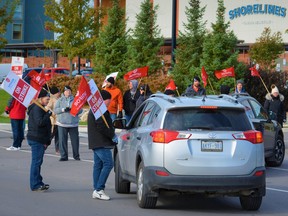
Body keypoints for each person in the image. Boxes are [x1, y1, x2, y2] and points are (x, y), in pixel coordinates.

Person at [88, 90, 116, 201]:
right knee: (108, 163)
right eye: (109, 101)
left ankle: (96, 189)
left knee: (98, 164)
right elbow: (102, 127)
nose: (110, 103)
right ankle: (99, 189)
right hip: (101, 142)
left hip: (96, 141)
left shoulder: (96, 109)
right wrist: (112, 135)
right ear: (105, 100)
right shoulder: (99, 110)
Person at [27, 89, 52, 191]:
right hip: (36, 138)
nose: (48, 101)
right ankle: (35, 184)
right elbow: (40, 122)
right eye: (47, 99)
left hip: (40, 138)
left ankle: (38, 182)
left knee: (38, 162)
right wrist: (47, 115)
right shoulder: (37, 108)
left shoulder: (41, 108)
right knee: (36, 162)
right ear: (41, 98)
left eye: (49, 99)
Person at [54, 86, 82, 161]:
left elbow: (81, 110)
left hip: (73, 123)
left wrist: (75, 110)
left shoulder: (76, 100)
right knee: (62, 140)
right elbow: (55, 110)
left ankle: (76, 155)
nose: (68, 92)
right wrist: (63, 109)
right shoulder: (60, 100)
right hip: (62, 123)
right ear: (64, 92)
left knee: (75, 140)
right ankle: (64, 156)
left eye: (69, 91)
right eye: (66, 91)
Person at [46, 86, 61, 154]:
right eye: (58, 92)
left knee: (58, 136)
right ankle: (44, 146)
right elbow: (47, 108)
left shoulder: (61, 99)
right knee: (50, 135)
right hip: (53, 121)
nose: (59, 93)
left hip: (60, 120)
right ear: (55, 93)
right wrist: (53, 113)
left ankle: (58, 149)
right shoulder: (51, 99)